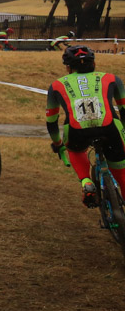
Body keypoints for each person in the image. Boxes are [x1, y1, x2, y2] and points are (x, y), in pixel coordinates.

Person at [46, 45, 125, 208]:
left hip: (76, 131)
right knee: (121, 174)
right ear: (94, 64)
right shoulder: (112, 78)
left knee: (74, 150)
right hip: (110, 128)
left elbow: (51, 121)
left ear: (68, 67)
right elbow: (124, 110)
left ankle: (86, 181)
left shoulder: (56, 85)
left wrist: (57, 144)